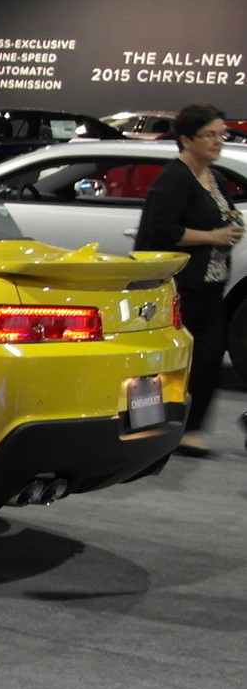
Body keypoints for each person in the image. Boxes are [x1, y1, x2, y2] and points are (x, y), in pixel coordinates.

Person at [133, 102, 240, 454]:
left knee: (208, 357)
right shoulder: (175, 179)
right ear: (186, 139)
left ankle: (188, 427)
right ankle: (149, 424)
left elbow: (223, 215)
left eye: (220, 134)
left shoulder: (215, 177)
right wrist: (213, 236)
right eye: (209, 135)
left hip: (211, 284)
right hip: (180, 286)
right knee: (165, 358)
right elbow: (161, 231)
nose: (218, 141)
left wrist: (232, 225)